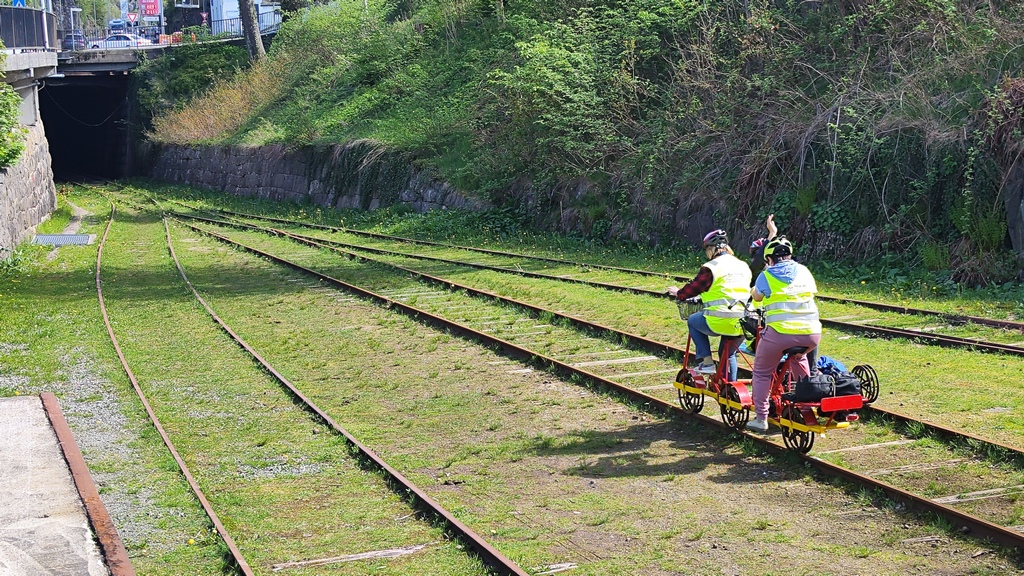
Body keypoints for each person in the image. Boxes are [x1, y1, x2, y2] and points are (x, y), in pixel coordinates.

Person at [745, 236, 821, 432]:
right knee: (799, 357)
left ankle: (761, 418)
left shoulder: (767, 275)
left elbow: (757, 297)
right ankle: (806, 407)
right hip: (811, 334)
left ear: (769, 259)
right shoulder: (804, 271)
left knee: (761, 372)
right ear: (790, 255)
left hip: (780, 334)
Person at [668, 229, 752, 381]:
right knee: (728, 353)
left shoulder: (711, 266)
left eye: (707, 249)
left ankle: (706, 362)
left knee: (693, 320)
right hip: (743, 322)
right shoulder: (743, 265)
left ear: (712, 249)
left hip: (718, 320)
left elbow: (695, 287)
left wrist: (678, 293)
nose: (706, 253)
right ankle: (729, 390)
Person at [747, 214, 778, 285]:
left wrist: (773, 234)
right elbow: (760, 257)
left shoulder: (772, 268)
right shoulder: (754, 268)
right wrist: (772, 233)